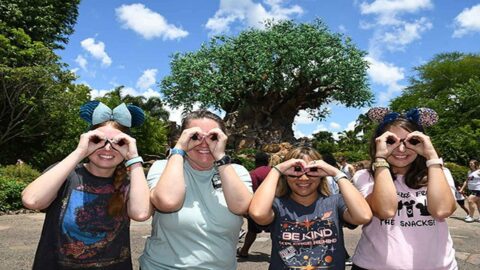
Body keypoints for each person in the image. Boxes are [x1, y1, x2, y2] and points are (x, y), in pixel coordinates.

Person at [22, 101, 151, 270]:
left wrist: (134, 158)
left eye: (119, 142)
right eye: (98, 140)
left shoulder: (132, 182)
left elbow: (141, 213)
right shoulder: (65, 173)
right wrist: (80, 152)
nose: (107, 148)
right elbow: (32, 200)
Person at [139, 109, 253, 270]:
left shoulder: (236, 172)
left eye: (213, 137)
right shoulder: (164, 167)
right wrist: (179, 149)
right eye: (195, 137)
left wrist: (221, 157)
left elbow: (241, 206)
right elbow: (168, 201)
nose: (204, 143)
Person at [351, 107, 457, 270]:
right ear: (379, 143)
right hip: (374, 266)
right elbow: (385, 211)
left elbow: (442, 210)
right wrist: (380, 159)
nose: (401, 149)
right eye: (391, 141)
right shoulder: (365, 176)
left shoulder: (439, 173)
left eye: (412, 141)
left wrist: (432, 156)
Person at [249, 146, 372, 270]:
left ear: (322, 173)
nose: (303, 177)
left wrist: (336, 173)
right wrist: (276, 170)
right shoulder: (278, 205)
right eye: (296, 170)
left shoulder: (335, 202)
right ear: (285, 175)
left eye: (312, 170)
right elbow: (258, 214)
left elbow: (363, 216)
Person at [237, 151, 271, 258]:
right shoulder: (274, 172)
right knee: (275, 232)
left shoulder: (253, 173)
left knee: (252, 231)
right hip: (273, 206)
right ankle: (275, 255)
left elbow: (251, 192)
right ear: (268, 161)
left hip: (257, 206)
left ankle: (244, 251)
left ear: (256, 162)